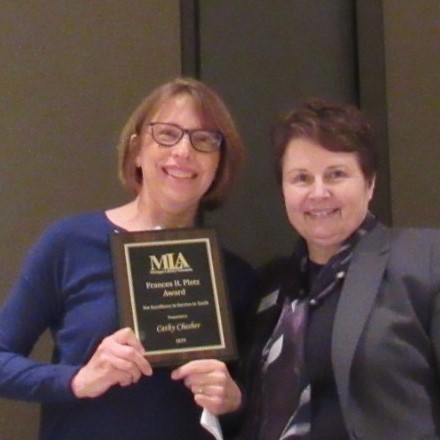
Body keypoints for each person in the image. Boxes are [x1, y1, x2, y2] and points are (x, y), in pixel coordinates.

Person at [0, 77, 255, 440]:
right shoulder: (69, 245)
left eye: (204, 140)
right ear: (136, 150)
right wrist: (76, 380)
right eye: (167, 133)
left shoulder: (235, 277)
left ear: (218, 164)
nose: (183, 151)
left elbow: (263, 403)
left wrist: (233, 402)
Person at [238, 98, 440, 439]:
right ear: (283, 190)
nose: (319, 192)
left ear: (370, 183)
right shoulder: (270, 286)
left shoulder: (425, 259)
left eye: (336, 174)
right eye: (301, 178)